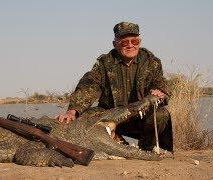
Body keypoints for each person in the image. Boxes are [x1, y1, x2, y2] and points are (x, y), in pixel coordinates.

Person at [56, 22, 173, 151]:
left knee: (161, 114)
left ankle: (146, 148)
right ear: (115, 44)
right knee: (84, 118)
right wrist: (72, 111)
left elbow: (160, 83)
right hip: (111, 117)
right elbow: (88, 86)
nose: (130, 45)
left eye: (134, 41)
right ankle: (117, 141)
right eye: (124, 42)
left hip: (140, 117)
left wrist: (160, 92)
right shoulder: (104, 63)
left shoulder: (151, 61)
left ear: (139, 42)